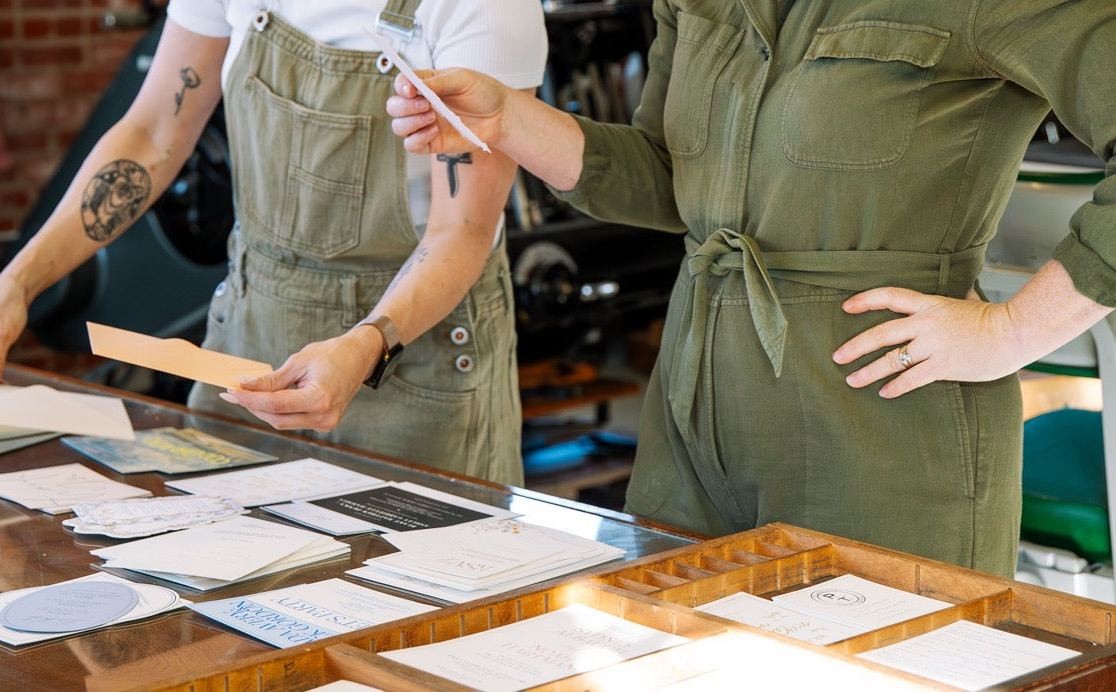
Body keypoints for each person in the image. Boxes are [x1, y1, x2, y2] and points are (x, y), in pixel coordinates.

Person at [388, 0, 1116, 576]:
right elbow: (671, 178)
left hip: (882, 439)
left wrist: (1012, 332)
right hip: (686, 433)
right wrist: (511, 119)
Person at [0, 0, 548, 486]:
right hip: (252, 343)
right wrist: (17, 284)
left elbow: (462, 230)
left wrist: (366, 345)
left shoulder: (482, 5)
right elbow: (153, 133)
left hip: (412, 358)